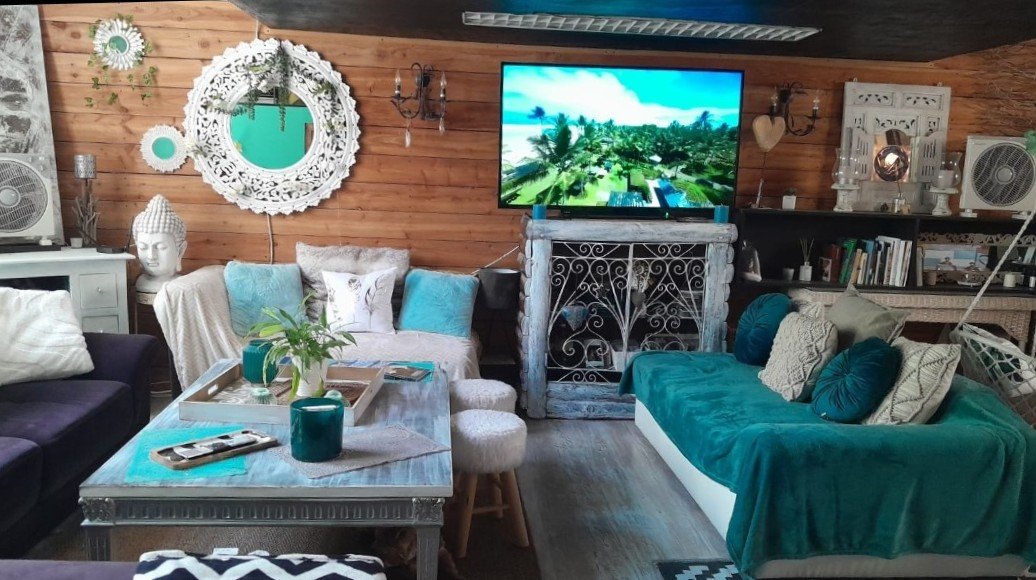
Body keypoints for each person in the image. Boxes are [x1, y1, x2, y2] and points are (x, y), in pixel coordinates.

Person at [131, 194, 187, 294]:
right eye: (143, 247)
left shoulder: (180, 286)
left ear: (180, 251)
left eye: (161, 247)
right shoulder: (140, 282)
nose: (151, 256)